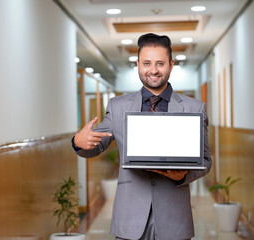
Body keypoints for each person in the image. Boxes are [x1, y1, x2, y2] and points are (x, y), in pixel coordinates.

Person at [72, 33, 212, 240]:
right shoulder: (117, 107)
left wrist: (182, 176)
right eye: (146, 63)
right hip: (130, 219)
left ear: (171, 64)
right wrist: (78, 142)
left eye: (160, 63)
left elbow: (206, 161)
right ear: (138, 64)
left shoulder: (194, 107)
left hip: (174, 219)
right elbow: (96, 145)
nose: (153, 70)